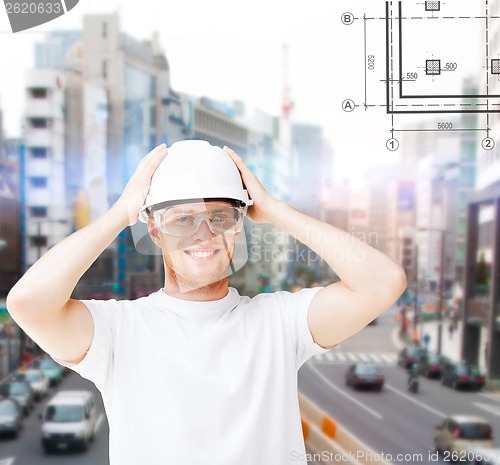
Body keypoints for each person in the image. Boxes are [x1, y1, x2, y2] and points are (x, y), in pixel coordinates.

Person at [6, 140, 407, 465]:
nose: (204, 234)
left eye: (220, 217)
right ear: (156, 230)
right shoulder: (120, 330)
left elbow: (384, 283)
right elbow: (28, 302)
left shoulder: (279, 322)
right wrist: (119, 214)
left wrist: (275, 211)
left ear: (239, 226)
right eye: (182, 220)